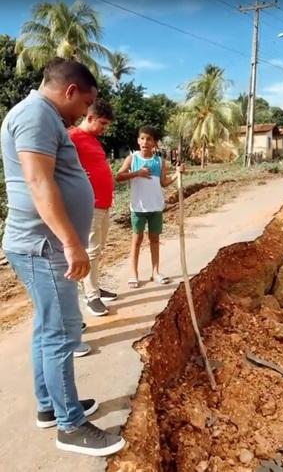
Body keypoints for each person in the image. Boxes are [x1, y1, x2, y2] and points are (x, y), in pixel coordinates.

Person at [0, 58, 125, 456]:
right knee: (62, 334)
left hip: (40, 243)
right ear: (71, 91)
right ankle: (70, 425)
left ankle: (49, 406)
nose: (85, 113)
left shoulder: (41, 115)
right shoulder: (36, 114)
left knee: (47, 328)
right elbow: (38, 182)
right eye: (85, 103)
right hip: (44, 245)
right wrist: (72, 243)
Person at [116, 126, 183, 288]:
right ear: (138, 141)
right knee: (136, 241)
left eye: (149, 139)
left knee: (154, 240)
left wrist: (177, 174)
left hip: (155, 208)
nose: (145, 142)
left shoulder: (159, 161)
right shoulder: (132, 159)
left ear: (155, 143)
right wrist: (136, 173)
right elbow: (118, 176)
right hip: (138, 208)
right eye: (143, 138)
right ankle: (134, 273)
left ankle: (155, 272)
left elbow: (163, 182)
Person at [69, 99, 117, 316]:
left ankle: (94, 287)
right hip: (89, 206)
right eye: (103, 124)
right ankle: (91, 297)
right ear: (89, 118)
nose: (105, 129)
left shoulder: (94, 140)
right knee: (90, 252)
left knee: (97, 251)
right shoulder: (72, 137)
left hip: (104, 204)